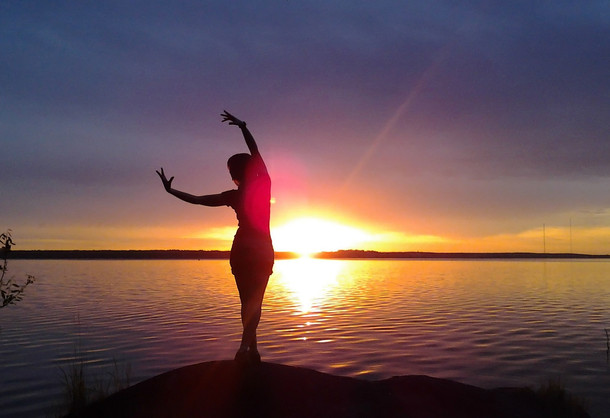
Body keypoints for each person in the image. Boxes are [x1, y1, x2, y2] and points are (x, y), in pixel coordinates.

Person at [156, 110, 274, 365]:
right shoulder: (264, 185)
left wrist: (171, 191)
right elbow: (256, 153)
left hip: (242, 250)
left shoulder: (234, 195)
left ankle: (251, 351)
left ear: (234, 174)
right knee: (254, 302)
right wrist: (243, 126)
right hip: (261, 250)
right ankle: (246, 348)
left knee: (247, 302)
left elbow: (198, 200)